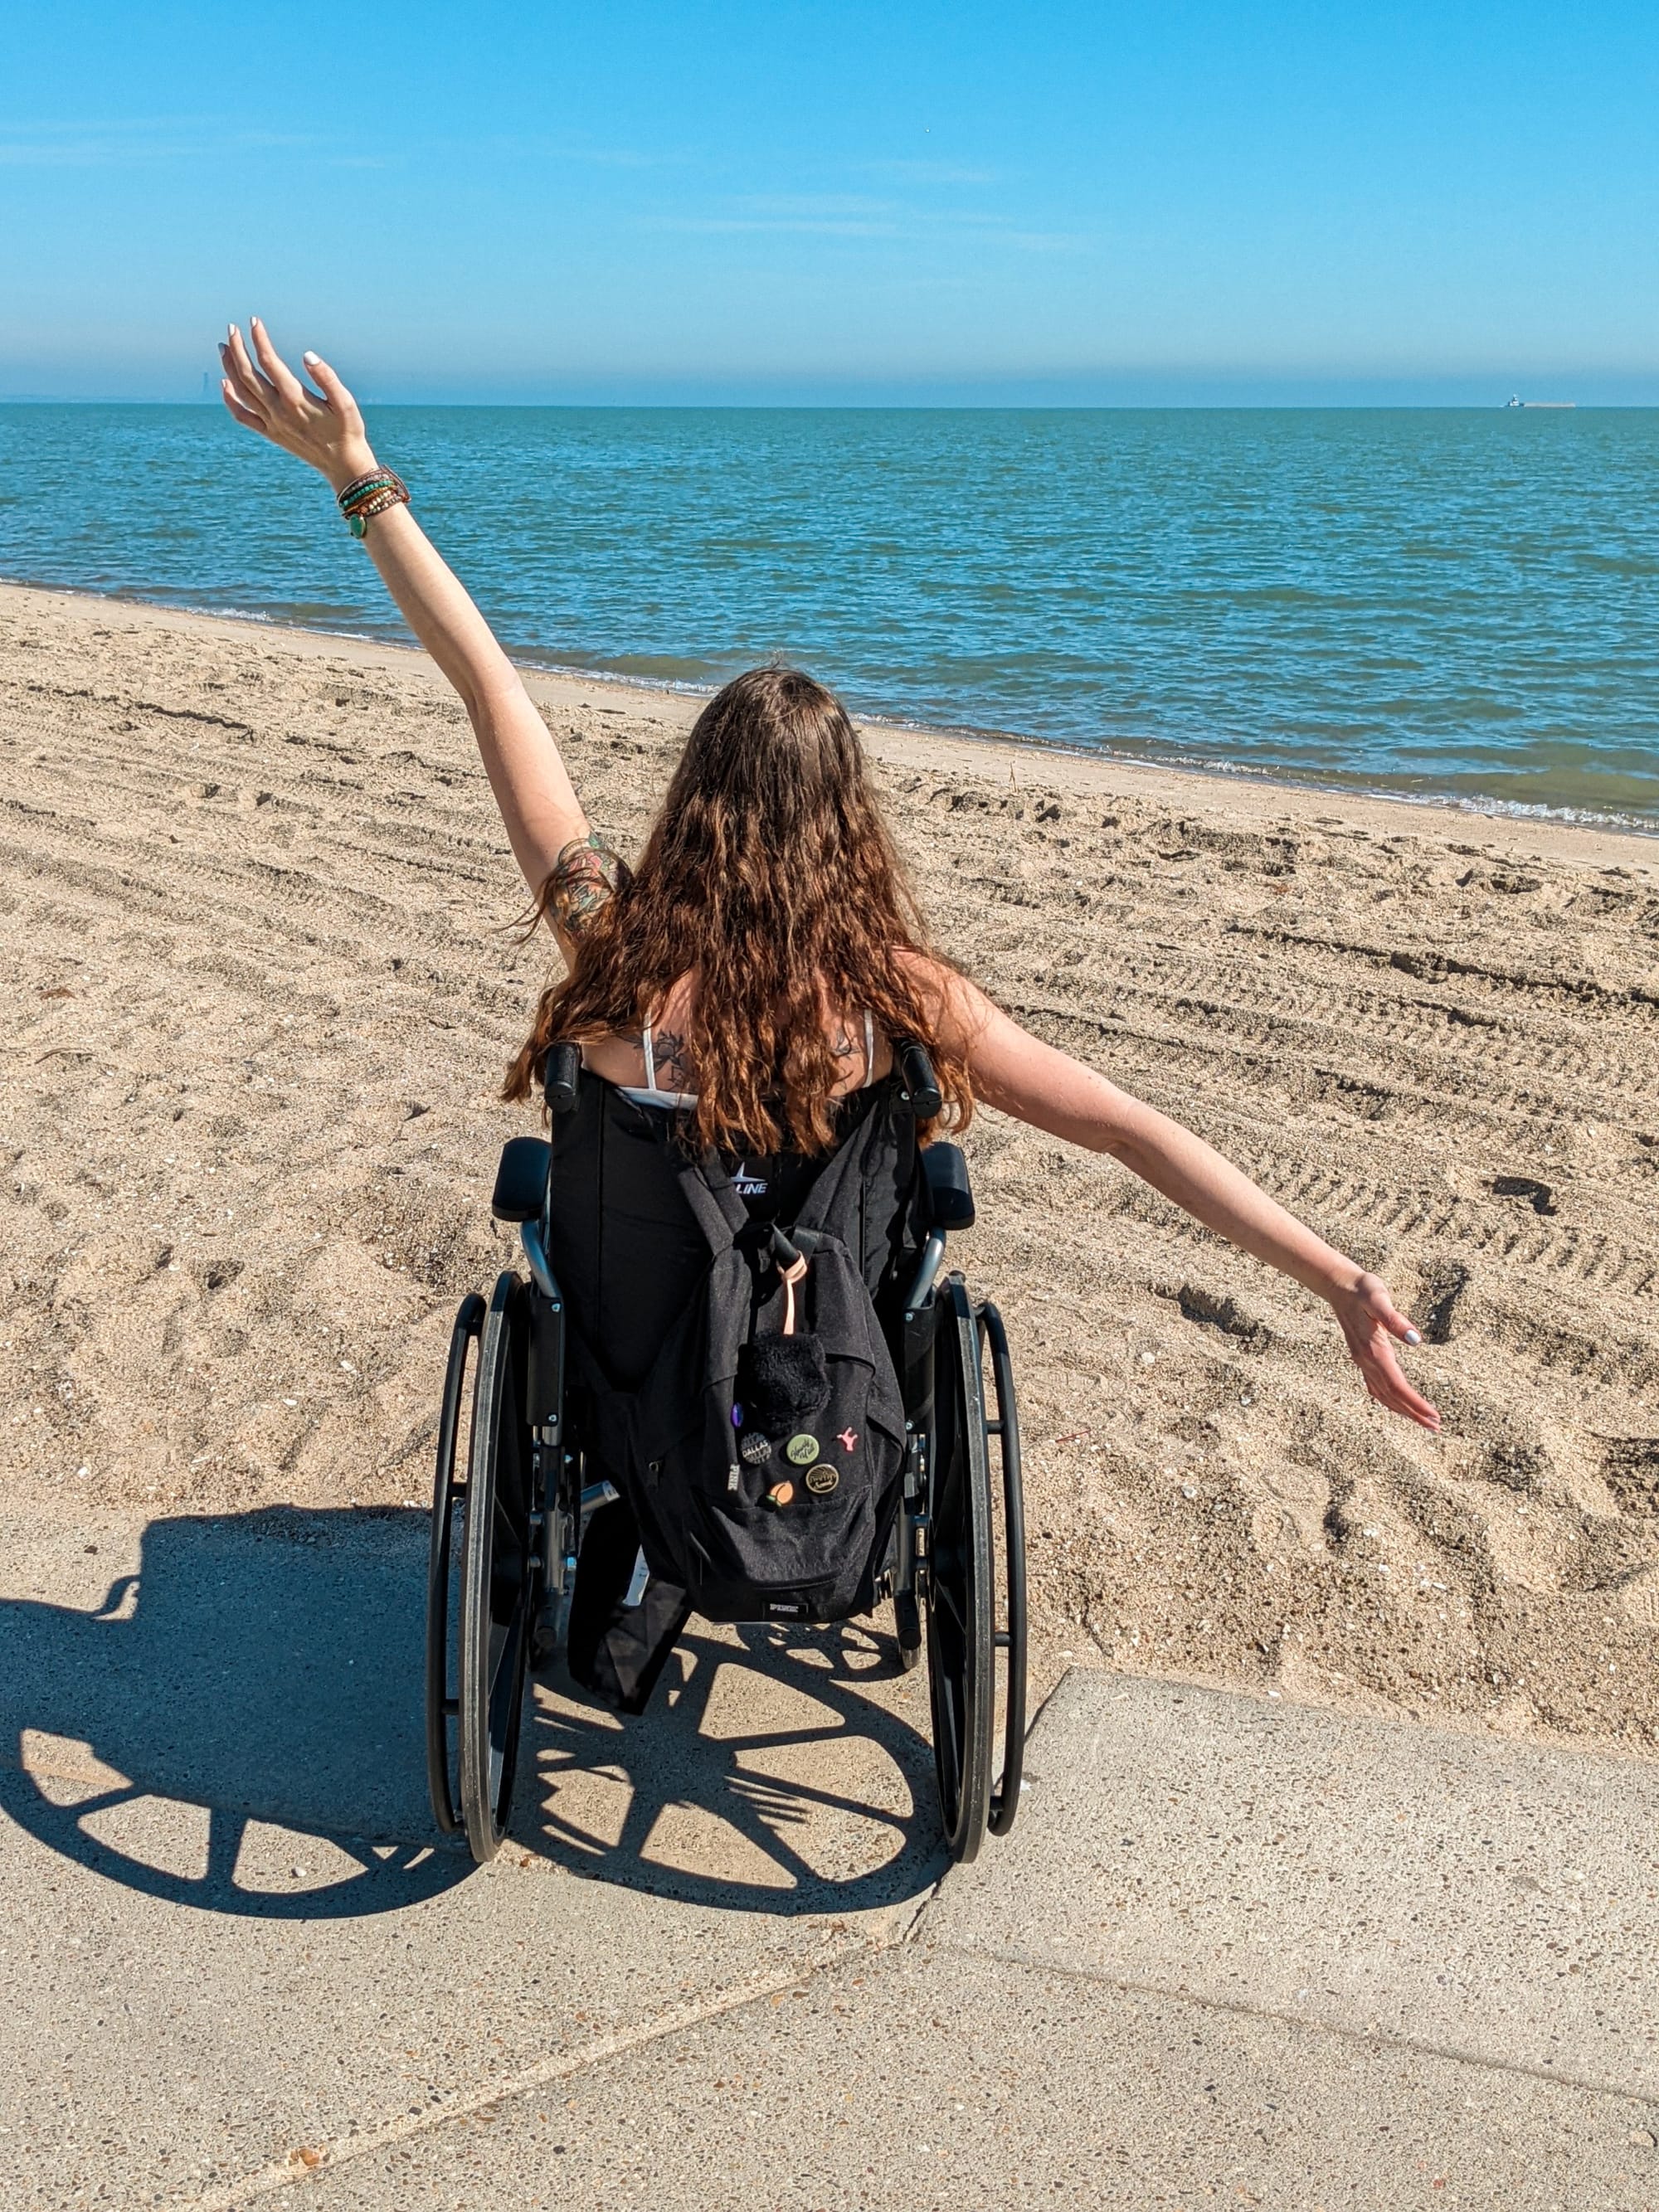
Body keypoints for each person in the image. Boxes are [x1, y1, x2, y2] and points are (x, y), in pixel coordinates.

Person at [217, 318, 1441, 1451]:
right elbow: (1126, 1127)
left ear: (696, 799)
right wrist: (1337, 1280)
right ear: (849, 825)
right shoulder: (896, 995)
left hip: (646, 1356)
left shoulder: (615, 953)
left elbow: (492, 687)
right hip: (829, 1365)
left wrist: (358, 480)